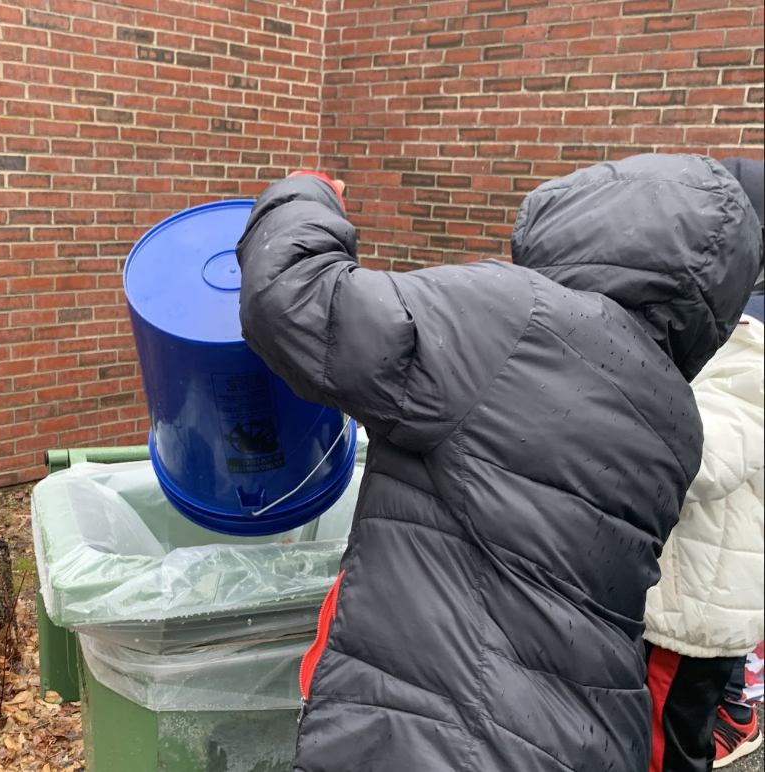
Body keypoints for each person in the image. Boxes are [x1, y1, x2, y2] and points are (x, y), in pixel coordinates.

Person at [235, 155, 762, 771]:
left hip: (444, 739)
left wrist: (307, 192)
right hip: (582, 736)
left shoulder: (515, 319)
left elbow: (292, 298)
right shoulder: (671, 410)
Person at [640, 156, 765, 772]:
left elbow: (704, 457)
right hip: (676, 589)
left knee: (661, 742)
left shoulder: (751, 350)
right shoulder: (710, 330)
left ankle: (735, 720)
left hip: (693, 612)